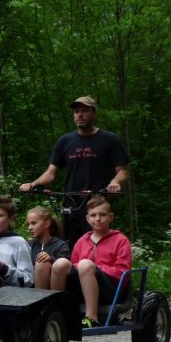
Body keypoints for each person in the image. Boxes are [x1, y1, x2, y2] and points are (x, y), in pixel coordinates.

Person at [19, 96, 131, 244]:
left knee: (95, 242)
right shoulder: (65, 141)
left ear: (94, 113)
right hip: (70, 201)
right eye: (76, 111)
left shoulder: (109, 139)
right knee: (67, 242)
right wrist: (32, 184)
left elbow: (122, 171)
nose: (80, 114)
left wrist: (115, 182)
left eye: (84, 111)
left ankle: (96, 267)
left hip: (96, 201)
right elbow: (51, 173)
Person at [48, 196, 132, 328]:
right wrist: (84, 267)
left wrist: (94, 267)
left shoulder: (121, 240)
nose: (97, 219)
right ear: (87, 219)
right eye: (93, 215)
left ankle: (91, 317)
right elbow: (73, 265)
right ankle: (56, 314)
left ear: (111, 217)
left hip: (109, 292)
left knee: (85, 264)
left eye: (102, 215)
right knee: (60, 263)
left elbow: (123, 273)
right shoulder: (82, 241)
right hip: (81, 290)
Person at [26, 206, 70, 290]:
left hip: (56, 290)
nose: (29, 228)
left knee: (42, 263)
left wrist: (51, 259)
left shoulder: (60, 245)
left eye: (33, 223)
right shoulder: (28, 245)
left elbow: (64, 269)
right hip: (30, 292)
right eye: (28, 224)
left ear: (47, 224)